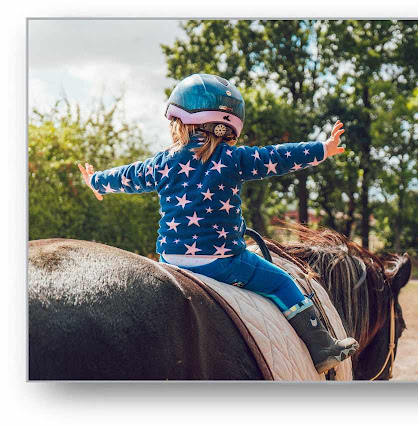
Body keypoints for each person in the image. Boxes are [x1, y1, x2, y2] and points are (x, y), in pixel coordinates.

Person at [78, 73, 358, 374]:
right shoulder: (233, 158)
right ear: (229, 127)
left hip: (171, 262)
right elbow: (277, 156)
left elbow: (129, 176)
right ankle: (321, 347)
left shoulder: (162, 162)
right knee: (281, 282)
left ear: (179, 123)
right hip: (223, 262)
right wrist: (323, 150)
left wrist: (96, 181)